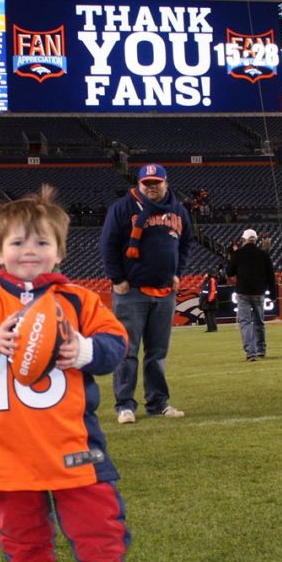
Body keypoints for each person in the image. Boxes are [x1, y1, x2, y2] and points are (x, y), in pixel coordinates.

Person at [0, 186, 131, 562]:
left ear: (60, 252)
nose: (31, 250)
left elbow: (116, 344)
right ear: (0, 252)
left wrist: (85, 350)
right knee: (22, 537)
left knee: (100, 529)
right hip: (8, 454)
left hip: (75, 449)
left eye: (42, 242)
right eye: (19, 242)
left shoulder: (79, 301)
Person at [99, 163, 191, 424]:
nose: (151, 187)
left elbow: (185, 244)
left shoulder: (179, 211)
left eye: (156, 182)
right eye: (146, 183)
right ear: (139, 184)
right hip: (132, 292)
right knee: (127, 351)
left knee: (157, 353)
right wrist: (117, 278)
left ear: (165, 183)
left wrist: (177, 273)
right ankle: (124, 405)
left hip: (164, 292)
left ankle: (158, 402)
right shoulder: (122, 208)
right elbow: (107, 245)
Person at [226, 228, 275, 361]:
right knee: (259, 322)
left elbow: (229, 272)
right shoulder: (263, 254)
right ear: (256, 240)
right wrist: (273, 294)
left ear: (244, 240)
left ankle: (250, 352)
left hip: (243, 292)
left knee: (245, 322)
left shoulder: (238, 254)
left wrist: (232, 254)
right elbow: (271, 275)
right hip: (259, 292)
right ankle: (261, 350)